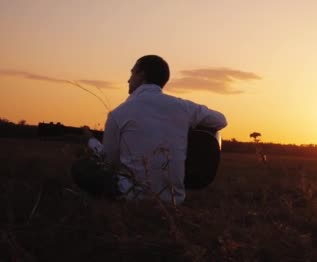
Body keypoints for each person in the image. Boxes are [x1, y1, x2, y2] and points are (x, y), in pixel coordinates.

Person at [71, 55, 227, 205]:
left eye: (132, 73)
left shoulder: (118, 113)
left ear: (142, 75)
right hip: (174, 199)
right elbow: (221, 120)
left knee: (81, 167)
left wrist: (91, 141)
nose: (128, 79)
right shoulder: (184, 107)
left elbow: (109, 161)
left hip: (131, 196)